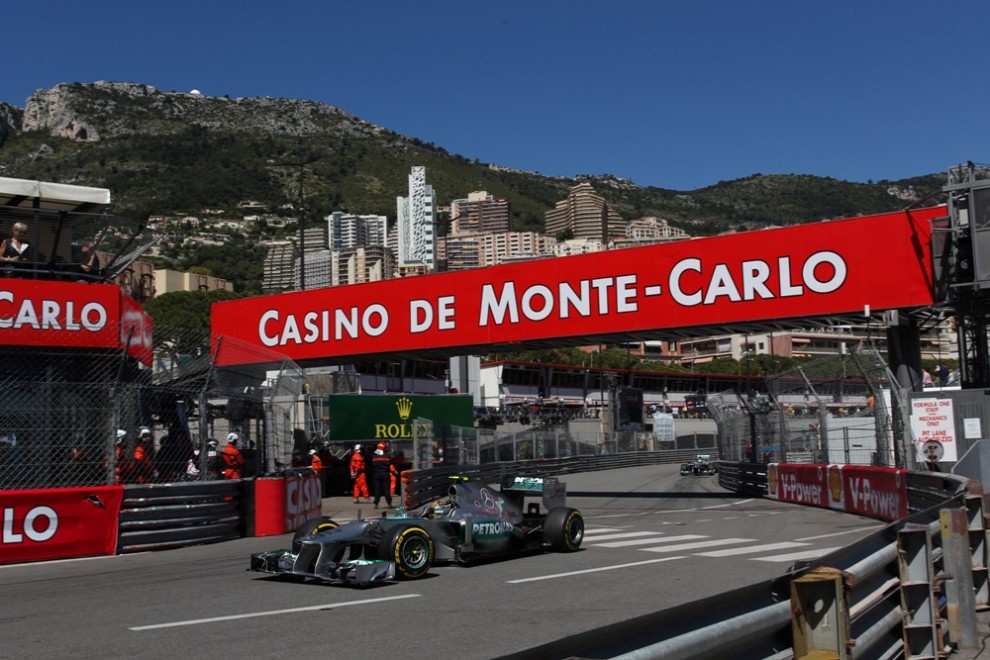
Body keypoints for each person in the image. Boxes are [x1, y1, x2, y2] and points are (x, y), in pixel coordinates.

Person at [370, 441, 393, 510]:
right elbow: (390, 463)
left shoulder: (374, 455)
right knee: (386, 490)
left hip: (376, 474)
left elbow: (371, 465)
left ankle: (376, 504)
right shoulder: (387, 455)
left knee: (377, 489)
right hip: (385, 473)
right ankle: (389, 503)